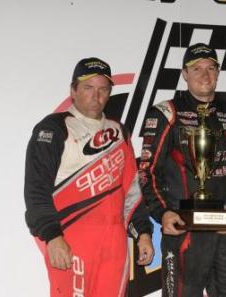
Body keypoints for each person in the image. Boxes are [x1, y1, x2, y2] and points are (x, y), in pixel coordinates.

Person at [139, 43, 226, 297]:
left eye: (210, 68)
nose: (205, 75)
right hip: (183, 230)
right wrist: (163, 213)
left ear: (218, 72)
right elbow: (147, 171)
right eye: (197, 69)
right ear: (184, 74)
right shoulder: (167, 112)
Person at [24, 57, 154, 297]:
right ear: (73, 90)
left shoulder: (119, 130)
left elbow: (132, 190)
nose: (96, 96)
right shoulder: (53, 128)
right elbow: (36, 191)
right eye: (88, 88)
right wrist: (53, 237)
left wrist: (143, 232)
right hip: (72, 236)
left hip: (114, 241)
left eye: (103, 89)